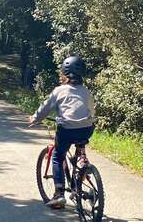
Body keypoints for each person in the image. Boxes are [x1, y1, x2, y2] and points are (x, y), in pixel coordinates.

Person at [28, 55, 95, 209]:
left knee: (58, 156)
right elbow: (91, 110)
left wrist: (35, 118)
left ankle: (59, 194)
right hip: (86, 129)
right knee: (81, 137)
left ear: (64, 73)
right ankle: (82, 160)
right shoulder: (86, 91)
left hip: (67, 130)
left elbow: (45, 108)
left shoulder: (59, 91)